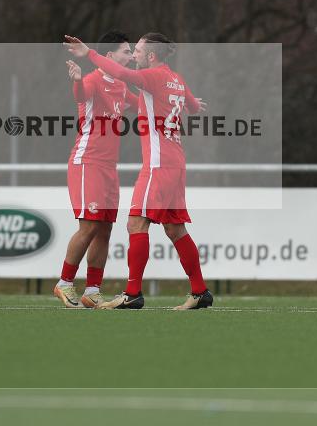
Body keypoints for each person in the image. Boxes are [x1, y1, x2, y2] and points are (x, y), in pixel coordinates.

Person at [64, 33, 211, 310]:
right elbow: (192, 106)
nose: (134, 55)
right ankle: (200, 291)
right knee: (175, 229)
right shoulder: (176, 79)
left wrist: (89, 54)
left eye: (139, 51)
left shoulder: (152, 76)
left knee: (136, 224)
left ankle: (132, 293)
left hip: (158, 165)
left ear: (151, 56)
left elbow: (120, 73)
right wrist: (191, 105)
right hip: (176, 163)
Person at [54, 31, 137, 308]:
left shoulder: (121, 86)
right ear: (110, 55)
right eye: (126, 51)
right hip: (87, 163)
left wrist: (171, 100)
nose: (130, 56)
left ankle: (92, 290)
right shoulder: (92, 80)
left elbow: (142, 106)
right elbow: (81, 95)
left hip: (109, 168)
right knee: (89, 225)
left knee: (104, 229)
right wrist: (77, 80)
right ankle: (64, 283)